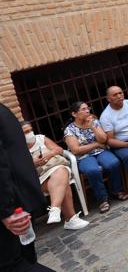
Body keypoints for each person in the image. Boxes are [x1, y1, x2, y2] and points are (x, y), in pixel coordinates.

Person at [1, 104, 55, 272]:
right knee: (25, 260)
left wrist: (5, 211)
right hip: (18, 198)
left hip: (10, 203)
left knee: (14, 265)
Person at [23, 122, 89, 230]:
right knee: (63, 183)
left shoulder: (41, 138)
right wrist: (32, 163)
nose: (30, 133)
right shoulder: (17, 148)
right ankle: (70, 219)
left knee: (61, 171)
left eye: (30, 130)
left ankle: (54, 208)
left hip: (55, 167)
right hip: (39, 177)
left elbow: (59, 150)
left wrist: (48, 154)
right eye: (26, 132)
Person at [64, 102, 126, 213]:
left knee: (113, 163)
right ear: (74, 114)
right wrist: (96, 144)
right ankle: (102, 199)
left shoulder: (94, 122)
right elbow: (76, 150)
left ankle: (117, 191)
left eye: (88, 108)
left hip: (100, 151)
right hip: (83, 156)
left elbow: (103, 140)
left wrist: (92, 127)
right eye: (83, 109)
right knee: (93, 170)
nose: (87, 111)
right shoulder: (70, 130)